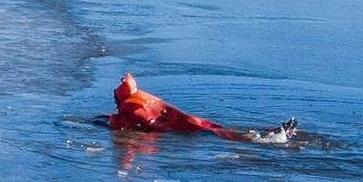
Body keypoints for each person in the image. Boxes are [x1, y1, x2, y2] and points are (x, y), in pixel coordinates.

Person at [106, 72, 297, 143]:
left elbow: (120, 125)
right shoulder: (143, 97)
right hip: (190, 119)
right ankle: (273, 132)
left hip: (182, 128)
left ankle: (275, 138)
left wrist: (103, 121)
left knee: (225, 136)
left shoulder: (130, 106)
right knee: (222, 130)